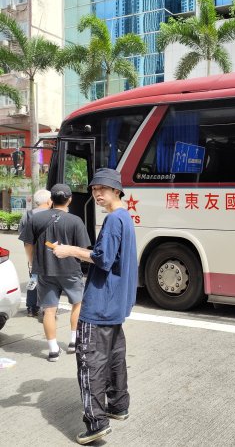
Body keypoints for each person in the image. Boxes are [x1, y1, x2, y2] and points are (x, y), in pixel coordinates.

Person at [53, 168, 137, 446]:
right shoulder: (126, 217)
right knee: (114, 359)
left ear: (116, 190)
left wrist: (70, 250)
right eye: (93, 189)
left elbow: (103, 258)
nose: (97, 193)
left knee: (89, 363)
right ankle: (118, 406)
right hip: (116, 303)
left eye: (102, 188)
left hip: (100, 304)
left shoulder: (114, 220)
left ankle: (96, 423)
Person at [19, 184, 90, 361]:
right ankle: (74, 342)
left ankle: (52, 350)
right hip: (70, 270)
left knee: (49, 311)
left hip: (45, 270)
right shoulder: (75, 221)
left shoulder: (35, 219)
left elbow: (28, 244)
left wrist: (32, 262)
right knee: (78, 304)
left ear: (51, 200)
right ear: (70, 199)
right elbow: (82, 248)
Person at [18, 189, 52, 317]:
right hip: (51, 253)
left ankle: (31, 308)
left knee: (34, 279)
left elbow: (22, 235)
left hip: (32, 253)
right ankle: (47, 309)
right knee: (50, 282)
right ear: (49, 201)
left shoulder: (27, 215)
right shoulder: (54, 214)